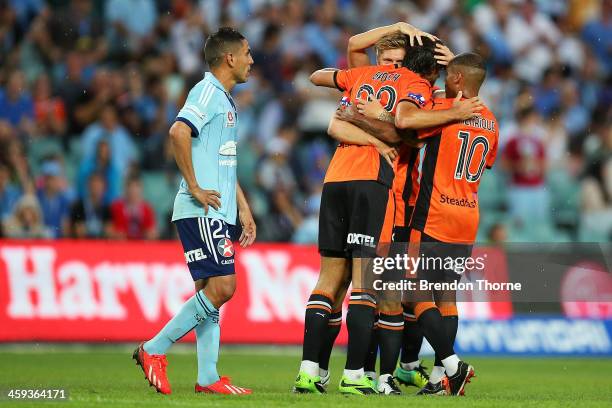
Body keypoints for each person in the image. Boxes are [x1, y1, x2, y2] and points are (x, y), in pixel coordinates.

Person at [296, 32, 481, 395]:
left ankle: (329, 372)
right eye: (388, 60)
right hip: (379, 192)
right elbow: (401, 129)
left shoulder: (368, 81)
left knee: (369, 288)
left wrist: (371, 116)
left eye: (398, 61)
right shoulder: (411, 87)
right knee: (374, 288)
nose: (393, 68)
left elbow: (345, 117)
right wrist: (384, 130)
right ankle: (370, 375)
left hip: (365, 189)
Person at [356, 52, 498, 396]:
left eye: (448, 76)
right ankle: (439, 380)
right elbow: (486, 163)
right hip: (468, 217)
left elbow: (407, 129)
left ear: (459, 80)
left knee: (413, 291)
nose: (442, 81)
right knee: (446, 295)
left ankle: (452, 364)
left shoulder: (443, 111)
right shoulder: (491, 121)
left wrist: (380, 113)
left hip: (433, 213)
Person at [132, 27, 256, 396]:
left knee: (208, 290)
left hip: (219, 211)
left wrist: (244, 210)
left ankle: (207, 377)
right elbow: (177, 132)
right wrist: (196, 187)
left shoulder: (226, 100)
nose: (252, 60)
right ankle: (153, 349)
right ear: (229, 58)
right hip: (201, 209)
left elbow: (225, 164)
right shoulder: (206, 92)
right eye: (247, 53)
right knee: (223, 287)